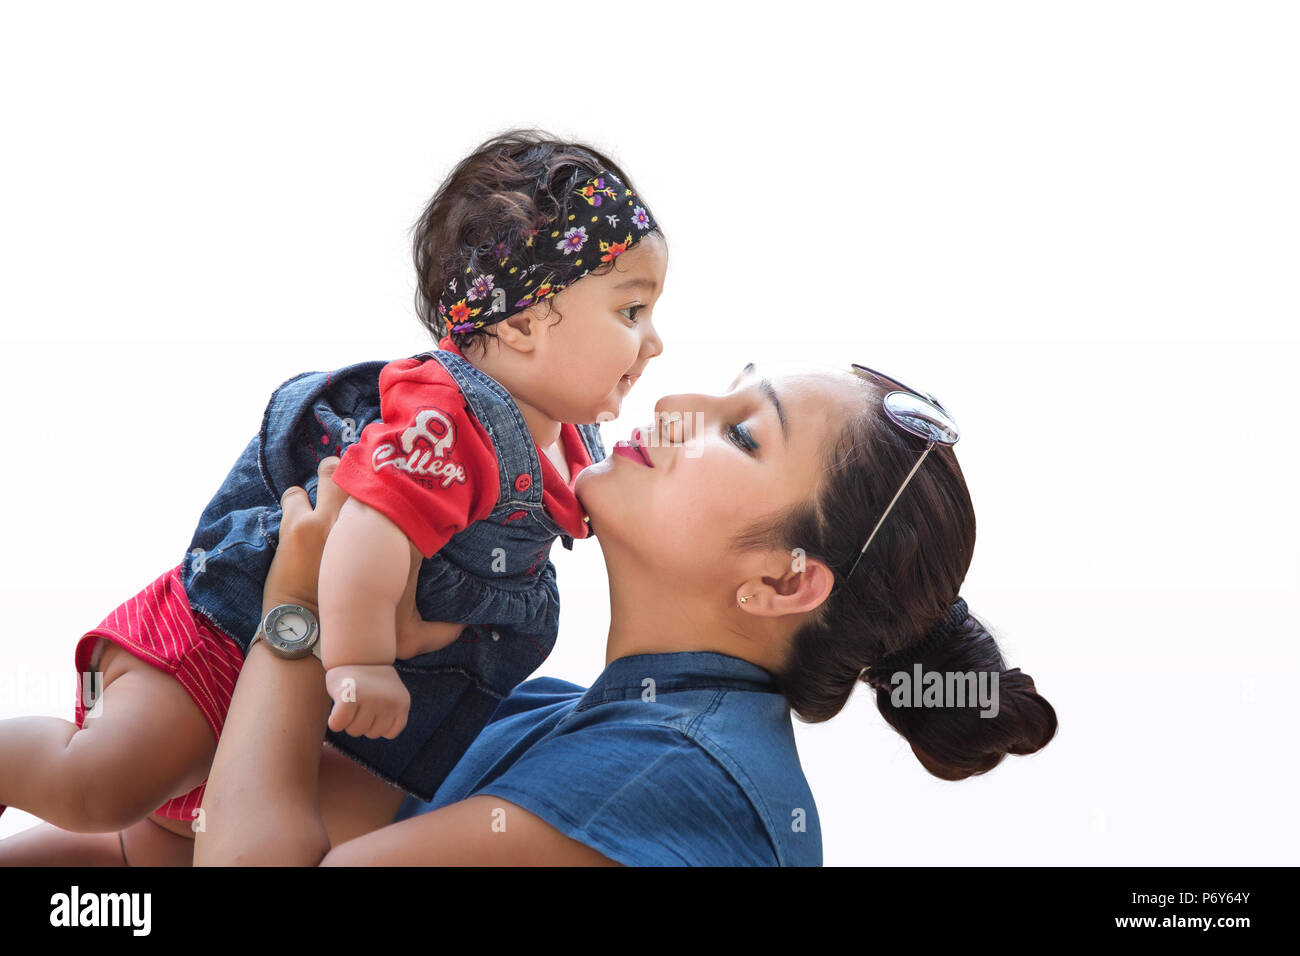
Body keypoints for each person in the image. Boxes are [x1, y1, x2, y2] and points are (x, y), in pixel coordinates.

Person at [0, 130, 667, 862]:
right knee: (100, 784)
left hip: (309, 728)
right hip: (224, 642)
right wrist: (359, 660)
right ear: (521, 322)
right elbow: (368, 530)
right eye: (631, 311)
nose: (654, 342)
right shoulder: (450, 422)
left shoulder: (569, 452)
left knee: (158, 848)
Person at [194, 359, 1059, 866]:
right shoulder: (561, 715)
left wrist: (297, 615)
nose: (679, 409)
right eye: (728, 393)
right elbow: (225, 822)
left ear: (785, 583)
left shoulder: (675, 774)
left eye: (744, 435)